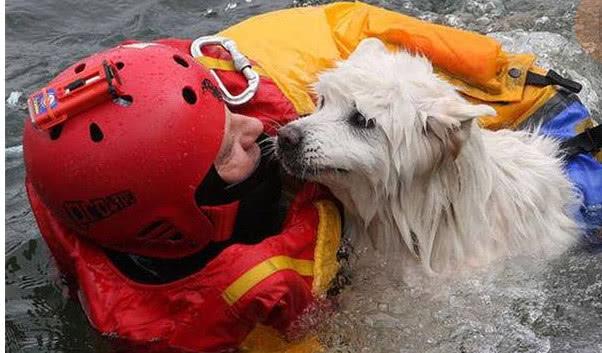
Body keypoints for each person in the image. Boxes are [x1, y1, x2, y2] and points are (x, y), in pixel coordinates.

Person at [23, 2, 601, 352]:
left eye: (231, 115)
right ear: (183, 207)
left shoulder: (252, 92)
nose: (274, 129)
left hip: (535, 152)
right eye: (228, 148)